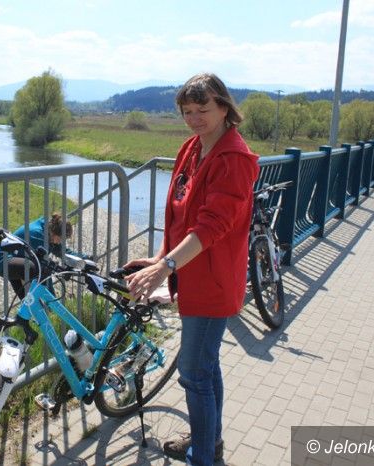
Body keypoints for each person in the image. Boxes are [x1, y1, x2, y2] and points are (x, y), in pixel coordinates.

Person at [124, 73, 259, 466]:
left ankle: (203, 456)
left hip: (212, 282)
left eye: (203, 109)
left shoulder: (234, 159)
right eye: (187, 111)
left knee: (193, 372)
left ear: (224, 107)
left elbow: (211, 226)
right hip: (191, 272)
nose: (195, 118)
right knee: (206, 367)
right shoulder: (192, 148)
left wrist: (166, 266)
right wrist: (161, 258)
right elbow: (180, 217)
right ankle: (210, 444)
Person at [0, 213, 74, 300]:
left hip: (18, 259)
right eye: (61, 239)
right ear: (55, 233)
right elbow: (43, 268)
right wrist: (52, 299)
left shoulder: (48, 231)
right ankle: (50, 305)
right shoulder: (38, 235)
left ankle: (40, 306)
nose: (60, 242)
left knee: (29, 302)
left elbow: (63, 252)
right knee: (41, 270)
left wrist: (82, 260)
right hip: (4, 261)